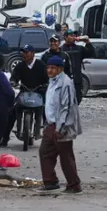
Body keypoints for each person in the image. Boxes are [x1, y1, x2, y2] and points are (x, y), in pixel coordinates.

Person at [38, 54, 82, 194]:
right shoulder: (52, 81)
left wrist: (61, 127)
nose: (50, 70)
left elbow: (67, 107)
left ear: (60, 69)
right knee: (45, 152)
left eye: (53, 68)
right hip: (51, 125)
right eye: (48, 68)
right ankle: (50, 182)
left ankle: (74, 185)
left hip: (62, 126)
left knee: (66, 156)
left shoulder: (66, 83)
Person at [4, 44, 49, 146]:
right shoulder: (20, 66)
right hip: (24, 91)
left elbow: (47, 78)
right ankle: (5, 138)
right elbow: (14, 77)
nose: (25, 55)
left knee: (47, 113)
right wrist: (13, 82)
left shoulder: (41, 65)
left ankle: (47, 138)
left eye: (27, 52)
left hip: (38, 92)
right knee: (12, 112)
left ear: (33, 53)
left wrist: (46, 85)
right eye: (23, 52)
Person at [60, 30, 95, 104]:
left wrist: (88, 42)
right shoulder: (61, 50)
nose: (73, 37)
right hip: (64, 80)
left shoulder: (79, 49)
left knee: (77, 99)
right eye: (71, 35)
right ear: (65, 37)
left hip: (77, 80)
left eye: (74, 36)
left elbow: (92, 53)